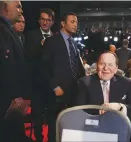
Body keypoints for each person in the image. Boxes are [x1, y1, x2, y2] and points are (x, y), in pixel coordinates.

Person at [0, 1, 32, 142]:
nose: (21, 10)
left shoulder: (5, 30)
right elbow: (7, 67)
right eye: (18, 6)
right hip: (6, 100)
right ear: (6, 7)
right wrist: (16, 95)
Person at [41, 12, 85, 142]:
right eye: (72, 22)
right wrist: (54, 86)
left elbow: (77, 66)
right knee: (54, 127)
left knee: (69, 127)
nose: (75, 24)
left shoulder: (73, 43)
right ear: (63, 23)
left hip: (73, 91)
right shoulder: (52, 41)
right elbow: (43, 67)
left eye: (76, 22)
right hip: (57, 92)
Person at [25, 8, 55, 142]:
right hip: (36, 84)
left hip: (52, 85)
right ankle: (37, 139)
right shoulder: (31, 35)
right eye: (43, 19)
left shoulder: (56, 37)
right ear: (38, 20)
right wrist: (41, 47)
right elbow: (28, 57)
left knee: (52, 117)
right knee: (37, 116)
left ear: (52, 22)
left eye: (48, 20)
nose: (45, 22)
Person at [76, 52, 131, 117]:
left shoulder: (126, 83)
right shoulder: (84, 83)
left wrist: (120, 107)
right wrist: (99, 111)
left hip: (118, 124)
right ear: (96, 66)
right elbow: (78, 110)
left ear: (116, 69)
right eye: (102, 64)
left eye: (110, 65)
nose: (106, 68)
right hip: (93, 123)